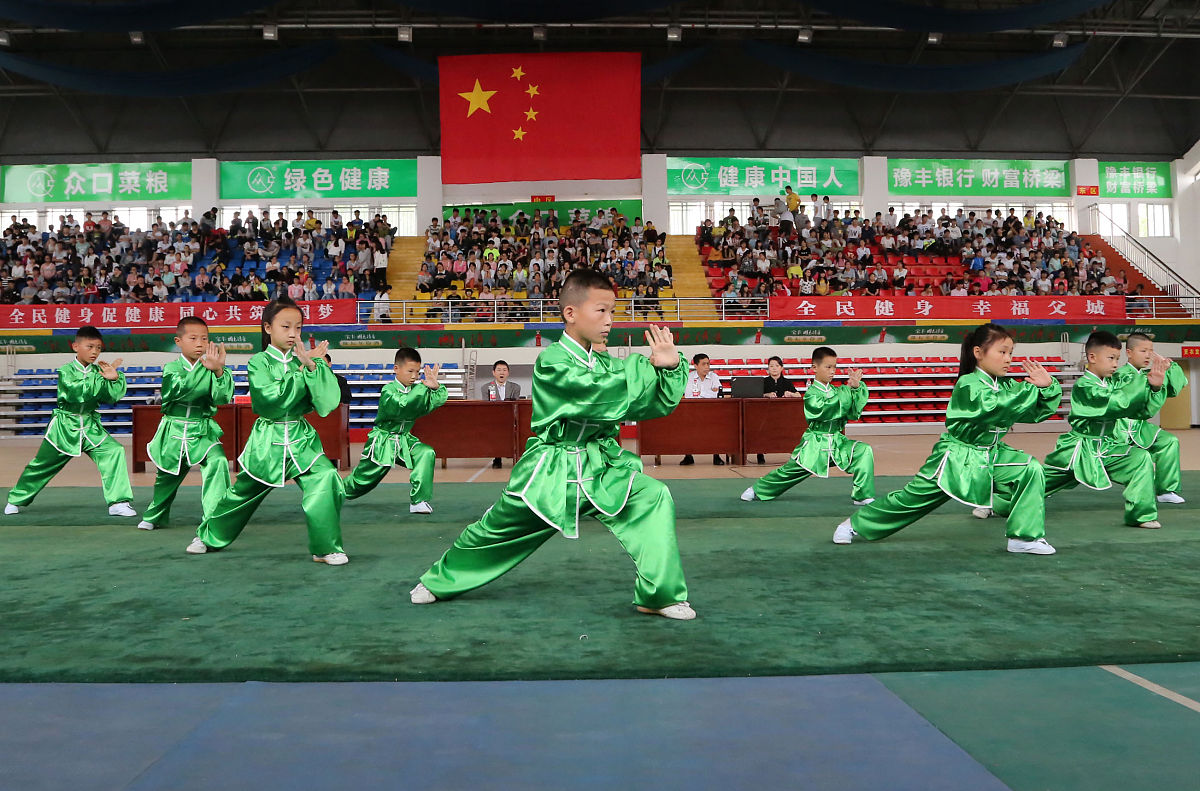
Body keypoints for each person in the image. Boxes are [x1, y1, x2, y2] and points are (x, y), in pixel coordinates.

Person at [409, 269, 695, 620]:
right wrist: (649, 366)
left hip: (600, 466)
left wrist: (670, 368)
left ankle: (659, 595)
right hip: (550, 471)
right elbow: (596, 391)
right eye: (601, 310)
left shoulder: (605, 362)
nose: (609, 320)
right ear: (570, 313)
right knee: (496, 530)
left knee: (652, 497)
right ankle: (439, 580)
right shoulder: (552, 361)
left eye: (612, 312)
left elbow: (646, 403)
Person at [833, 323, 1062, 555]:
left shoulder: (1007, 385)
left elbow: (1033, 412)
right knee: (911, 501)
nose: (1008, 359)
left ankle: (1024, 537)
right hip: (956, 457)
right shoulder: (968, 384)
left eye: (1010, 353)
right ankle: (854, 525)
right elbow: (996, 406)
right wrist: (1031, 389)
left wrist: (1048, 387)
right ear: (978, 352)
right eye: (1002, 352)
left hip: (991, 454)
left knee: (1030, 469)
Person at [185, 296, 348, 565]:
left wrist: (313, 367)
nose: (293, 334)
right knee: (241, 494)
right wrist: (302, 370)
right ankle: (209, 535)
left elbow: (327, 401)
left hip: (301, 438)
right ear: (268, 328)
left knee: (326, 477)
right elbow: (271, 400)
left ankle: (326, 547)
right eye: (285, 327)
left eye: (298, 327)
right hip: (268, 440)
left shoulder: (305, 361)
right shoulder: (258, 362)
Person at [1025, 331, 1168, 530]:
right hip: (1079, 450)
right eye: (1111, 358)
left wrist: (1155, 388)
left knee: (1139, 458)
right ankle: (1000, 503)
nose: (1115, 364)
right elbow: (1116, 402)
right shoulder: (1084, 386)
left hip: (1107, 447)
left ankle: (1141, 515)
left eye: (1117, 359)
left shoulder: (1111, 382)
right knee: (1038, 484)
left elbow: (1140, 411)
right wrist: (1142, 384)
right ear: (1092, 357)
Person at [5, 326, 136, 518]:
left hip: (90, 426)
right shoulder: (66, 371)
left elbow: (111, 397)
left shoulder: (100, 371)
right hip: (64, 427)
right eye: (90, 346)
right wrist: (101, 379)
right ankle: (16, 499)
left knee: (113, 451)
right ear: (76, 347)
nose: (95, 352)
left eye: (99, 348)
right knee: (41, 465)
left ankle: (118, 502)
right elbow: (77, 393)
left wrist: (114, 379)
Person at [742, 347, 875, 505]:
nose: (832, 371)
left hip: (837, 442)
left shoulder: (836, 391)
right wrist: (848, 389)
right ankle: (758, 489)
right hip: (815, 444)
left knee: (863, 450)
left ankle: (862, 495)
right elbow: (828, 409)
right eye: (828, 367)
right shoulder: (812, 394)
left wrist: (857, 387)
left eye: (834, 367)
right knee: (789, 472)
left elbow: (852, 410)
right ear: (814, 368)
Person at [138, 318, 233, 530]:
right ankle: (154, 515)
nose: (200, 344)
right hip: (174, 429)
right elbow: (183, 390)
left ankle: (214, 520)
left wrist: (219, 371)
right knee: (167, 476)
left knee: (218, 462)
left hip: (202, 430)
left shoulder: (213, 367)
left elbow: (222, 397)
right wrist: (208, 369)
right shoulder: (171, 368)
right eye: (193, 338)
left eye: (204, 339)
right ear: (178, 341)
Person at [343, 347, 448, 513]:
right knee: (361, 482)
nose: (414, 376)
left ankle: (418, 501)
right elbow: (403, 404)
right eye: (410, 371)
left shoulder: (416, 390)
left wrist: (436, 387)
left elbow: (435, 401)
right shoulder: (388, 390)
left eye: (417, 372)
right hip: (383, 442)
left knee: (426, 453)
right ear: (396, 369)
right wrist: (423, 388)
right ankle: (332, 492)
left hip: (405, 440)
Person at [1115, 332, 1186, 504]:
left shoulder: (1148, 374)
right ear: (1129, 352)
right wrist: (1155, 386)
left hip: (1140, 427)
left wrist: (1169, 367)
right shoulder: (1121, 375)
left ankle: (1166, 490)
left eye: (1151, 351)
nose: (1148, 355)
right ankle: (1051, 483)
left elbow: (1178, 386)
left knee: (1168, 441)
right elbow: (1136, 403)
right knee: (1083, 462)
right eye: (1143, 351)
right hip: (1117, 428)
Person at [680, 352, 724, 467]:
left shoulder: (714, 377)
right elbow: (689, 395)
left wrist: (701, 393)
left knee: (716, 428)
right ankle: (688, 456)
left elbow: (717, 394)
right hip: (693, 411)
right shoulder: (689, 377)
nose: (707, 367)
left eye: (708, 364)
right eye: (703, 364)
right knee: (686, 429)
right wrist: (709, 392)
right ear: (696, 366)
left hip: (711, 411)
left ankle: (716, 456)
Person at [757, 356, 799, 463]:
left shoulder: (787, 382)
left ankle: (793, 452)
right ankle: (760, 453)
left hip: (784, 414)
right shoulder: (763, 382)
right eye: (771, 366)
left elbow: (798, 395)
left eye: (777, 366)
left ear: (781, 368)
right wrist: (766, 395)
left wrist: (790, 394)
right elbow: (756, 395)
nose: (774, 368)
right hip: (766, 414)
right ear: (768, 368)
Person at [481, 360, 521, 468]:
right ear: (493, 373)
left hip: (510, 418)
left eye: (504, 370)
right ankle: (497, 457)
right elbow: (486, 406)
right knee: (495, 429)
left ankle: (514, 455)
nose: (501, 373)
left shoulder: (515, 387)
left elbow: (515, 406)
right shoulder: (486, 387)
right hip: (493, 418)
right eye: (498, 370)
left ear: (508, 373)